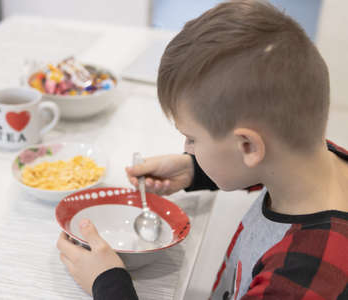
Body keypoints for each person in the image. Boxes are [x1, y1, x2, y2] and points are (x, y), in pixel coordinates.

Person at [57, 0, 348, 299]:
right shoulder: (313, 161)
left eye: (191, 139)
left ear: (247, 146)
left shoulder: (304, 277)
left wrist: (108, 283)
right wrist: (195, 171)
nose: (187, 148)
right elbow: (274, 161)